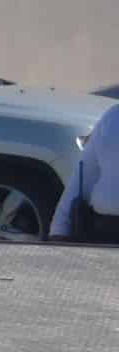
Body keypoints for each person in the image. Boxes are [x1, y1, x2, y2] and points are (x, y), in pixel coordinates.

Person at [52, 99, 118, 244]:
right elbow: (83, 175)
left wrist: (59, 229)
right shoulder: (113, 117)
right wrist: (60, 229)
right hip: (105, 232)